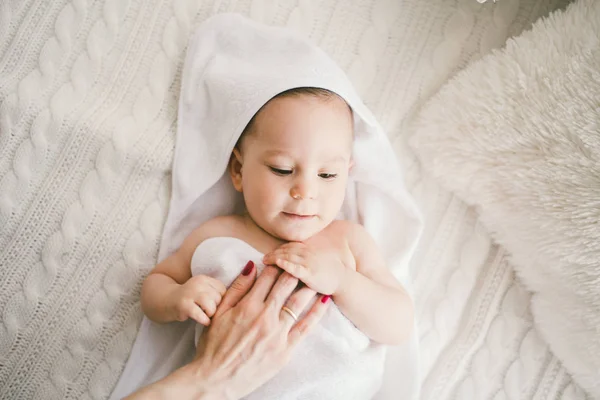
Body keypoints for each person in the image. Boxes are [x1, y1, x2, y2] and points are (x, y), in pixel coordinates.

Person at [140, 86, 414, 348]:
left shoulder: (347, 240)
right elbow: (157, 282)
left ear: (346, 174)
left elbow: (399, 324)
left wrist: (342, 281)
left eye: (327, 174)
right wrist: (176, 297)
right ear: (238, 170)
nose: (305, 191)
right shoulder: (218, 234)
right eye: (282, 170)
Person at [126, 263, 329, 400]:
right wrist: (174, 295)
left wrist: (344, 280)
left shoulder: (343, 239)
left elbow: (363, 315)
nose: (301, 195)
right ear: (241, 194)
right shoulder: (219, 230)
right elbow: (160, 278)